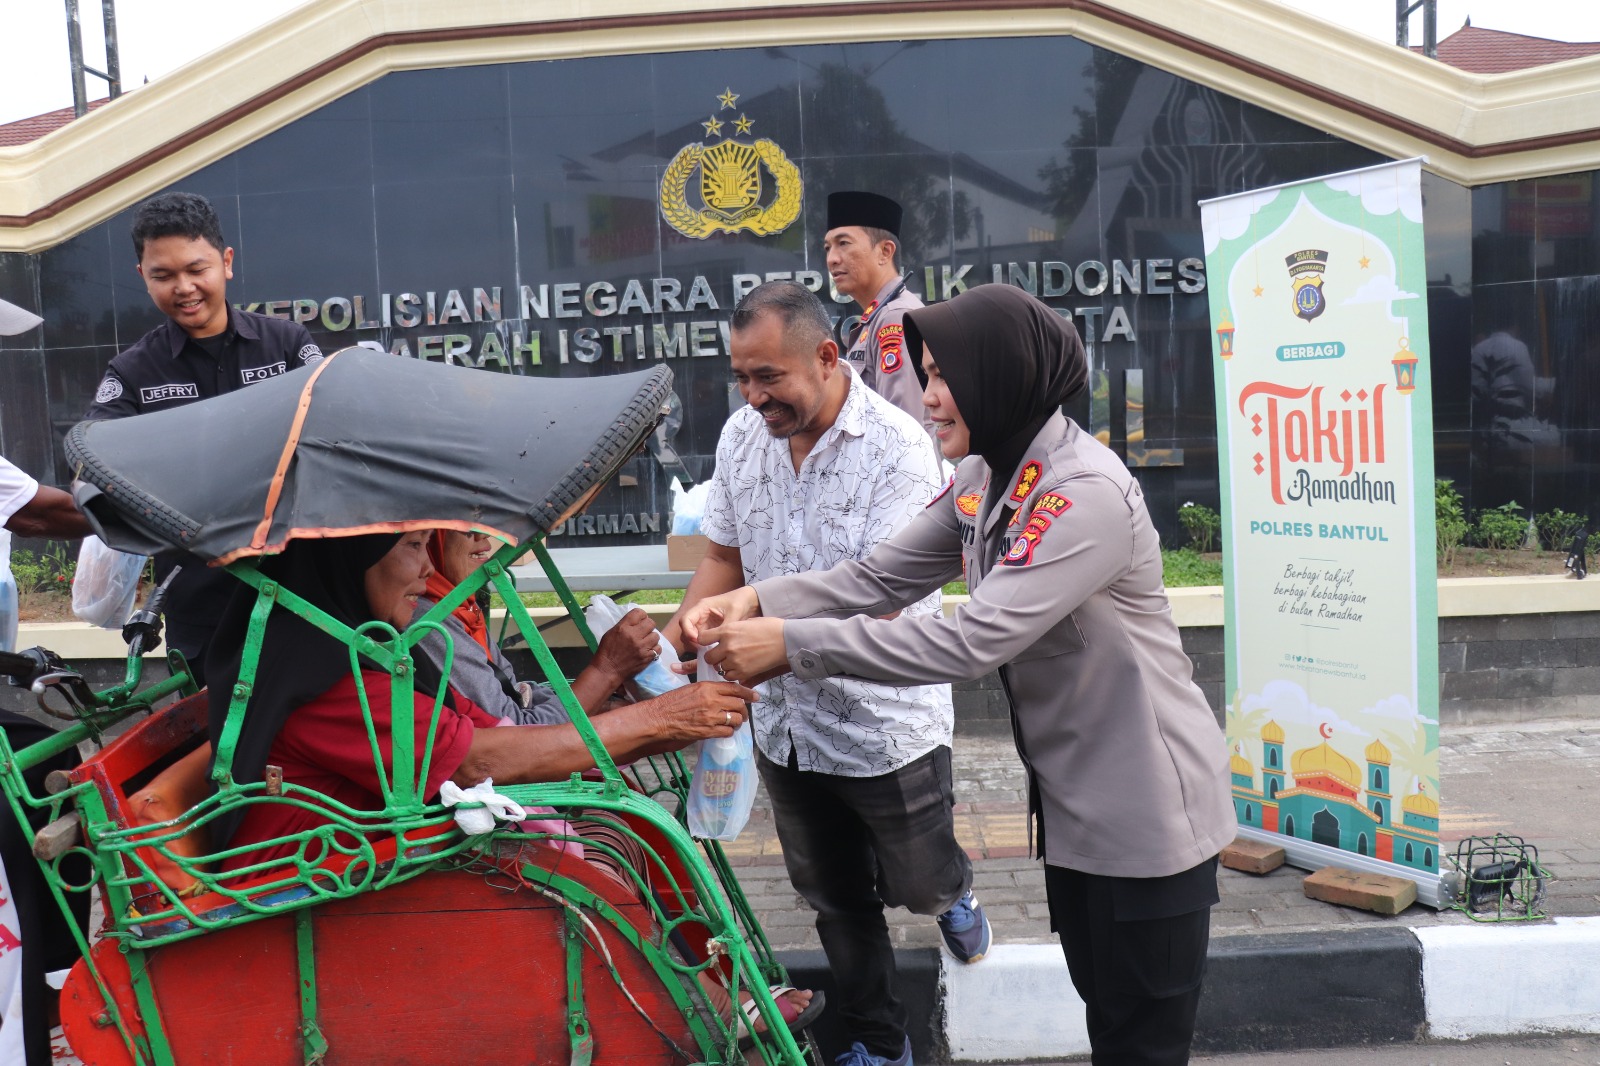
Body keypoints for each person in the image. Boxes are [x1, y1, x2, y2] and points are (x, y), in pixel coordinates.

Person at [682, 284, 1236, 1066]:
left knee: (1141, 1041)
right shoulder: (989, 473)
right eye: (928, 373)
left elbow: (970, 641)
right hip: (1080, 813)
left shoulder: (1081, 495)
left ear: (1004, 377)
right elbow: (878, 577)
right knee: (1110, 1023)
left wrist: (789, 643)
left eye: (947, 377)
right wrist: (757, 596)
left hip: (1148, 819)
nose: (929, 396)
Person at [200, 530, 819, 1043]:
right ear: (348, 561)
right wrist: (658, 718)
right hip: (320, 888)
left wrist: (659, 727)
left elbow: (483, 730)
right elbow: (477, 760)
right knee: (559, 870)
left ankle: (708, 986)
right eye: (412, 548)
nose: (425, 569)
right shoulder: (324, 678)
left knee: (617, 828)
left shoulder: (362, 648)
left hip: (376, 856)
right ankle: (691, 1006)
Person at [664, 281, 985, 1066]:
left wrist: (775, 635)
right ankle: (883, 1044)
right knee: (836, 901)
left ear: (827, 357)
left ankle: (955, 892)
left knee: (918, 883)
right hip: (785, 728)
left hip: (886, 726)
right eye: (741, 376)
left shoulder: (900, 450)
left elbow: (880, 601)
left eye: (768, 377)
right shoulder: (744, 437)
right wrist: (686, 624)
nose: (752, 396)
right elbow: (722, 556)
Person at [84, 192, 324, 684]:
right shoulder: (132, 373)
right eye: (163, 276)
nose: (185, 288)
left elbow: (338, 437)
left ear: (227, 262)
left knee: (312, 738)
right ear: (143, 278)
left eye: (197, 269)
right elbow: (93, 463)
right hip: (201, 605)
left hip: (308, 592)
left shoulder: (289, 345)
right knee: (216, 748)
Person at [411, 529, 660, 723]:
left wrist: (601, 699)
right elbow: (517, 730)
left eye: (481, 522)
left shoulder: (463, 609)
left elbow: (514, 692)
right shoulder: (428, 622)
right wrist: (607, 670)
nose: (482, 535)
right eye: (464, 526)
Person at [823, 191, 934, 445]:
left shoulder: (894, 317)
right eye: (828, 247)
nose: (832, 258)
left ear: (885, 251)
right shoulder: (878, 317)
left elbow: (903, 428)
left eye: (844, 243)